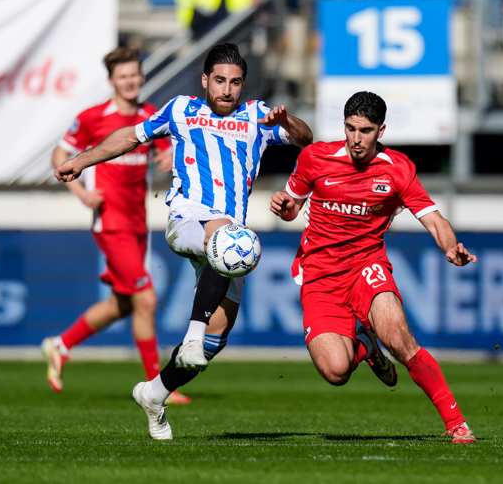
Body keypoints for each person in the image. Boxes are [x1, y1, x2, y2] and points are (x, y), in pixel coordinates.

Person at [54, 43, 313, 439]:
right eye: (220, 81)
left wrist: (287, 120)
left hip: (228, 237)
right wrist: (81, 159)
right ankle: (191, 336)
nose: (227, 90)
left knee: (213, 343)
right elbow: (129, 137)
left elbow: (305, 138)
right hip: (188, 219)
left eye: (235, 83)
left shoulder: (256, 115)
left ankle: (154, 394)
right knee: (226, 241)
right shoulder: (181, 109)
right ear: (205, 80)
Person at [269, 91, 477, 444]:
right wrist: (282, 206)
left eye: (365, 131)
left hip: (367, 267)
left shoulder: (397, 168)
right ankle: (366, 347)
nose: (356, 138)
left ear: (381, 130)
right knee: (336, 371)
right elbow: (293, 209)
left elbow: (434, 219)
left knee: (399, 340)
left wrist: (450, 246)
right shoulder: (314, 157)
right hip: (319, 275)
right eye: (350, 128)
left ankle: (456, 423)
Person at [42, 47, 190, 405]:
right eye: (123, 76)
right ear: (111, 81)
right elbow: (59, 156)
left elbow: (165, 151)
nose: (130, 81)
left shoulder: (150, 115)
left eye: (134, 74)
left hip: (138, 222)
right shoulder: (93, 117)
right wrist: (81, 193)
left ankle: (60, 345)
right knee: (147, 299)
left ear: (142, 76)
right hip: (111, 221)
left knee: (122, 304)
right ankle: (159, 386)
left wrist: (168, 155)